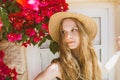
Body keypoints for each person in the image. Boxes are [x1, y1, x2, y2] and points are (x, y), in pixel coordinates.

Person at [34, 12, 102, 80]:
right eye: (63, 32)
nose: (67, 37)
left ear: (83, 33)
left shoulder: (94, 62)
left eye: (73, 30)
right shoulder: (58, 68)